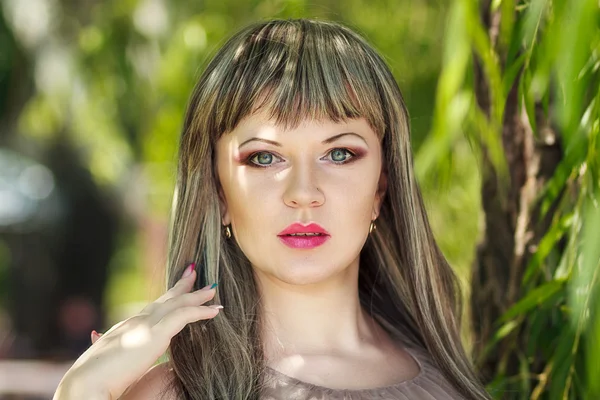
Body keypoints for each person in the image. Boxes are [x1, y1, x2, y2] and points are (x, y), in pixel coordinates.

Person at [53, 18, 492, 400]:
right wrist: (81, 392)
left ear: (381, 187)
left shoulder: (451, 383)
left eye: (339, 154)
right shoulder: (164, 395)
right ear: (219, 194)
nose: (303, 192)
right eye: (264, 157)